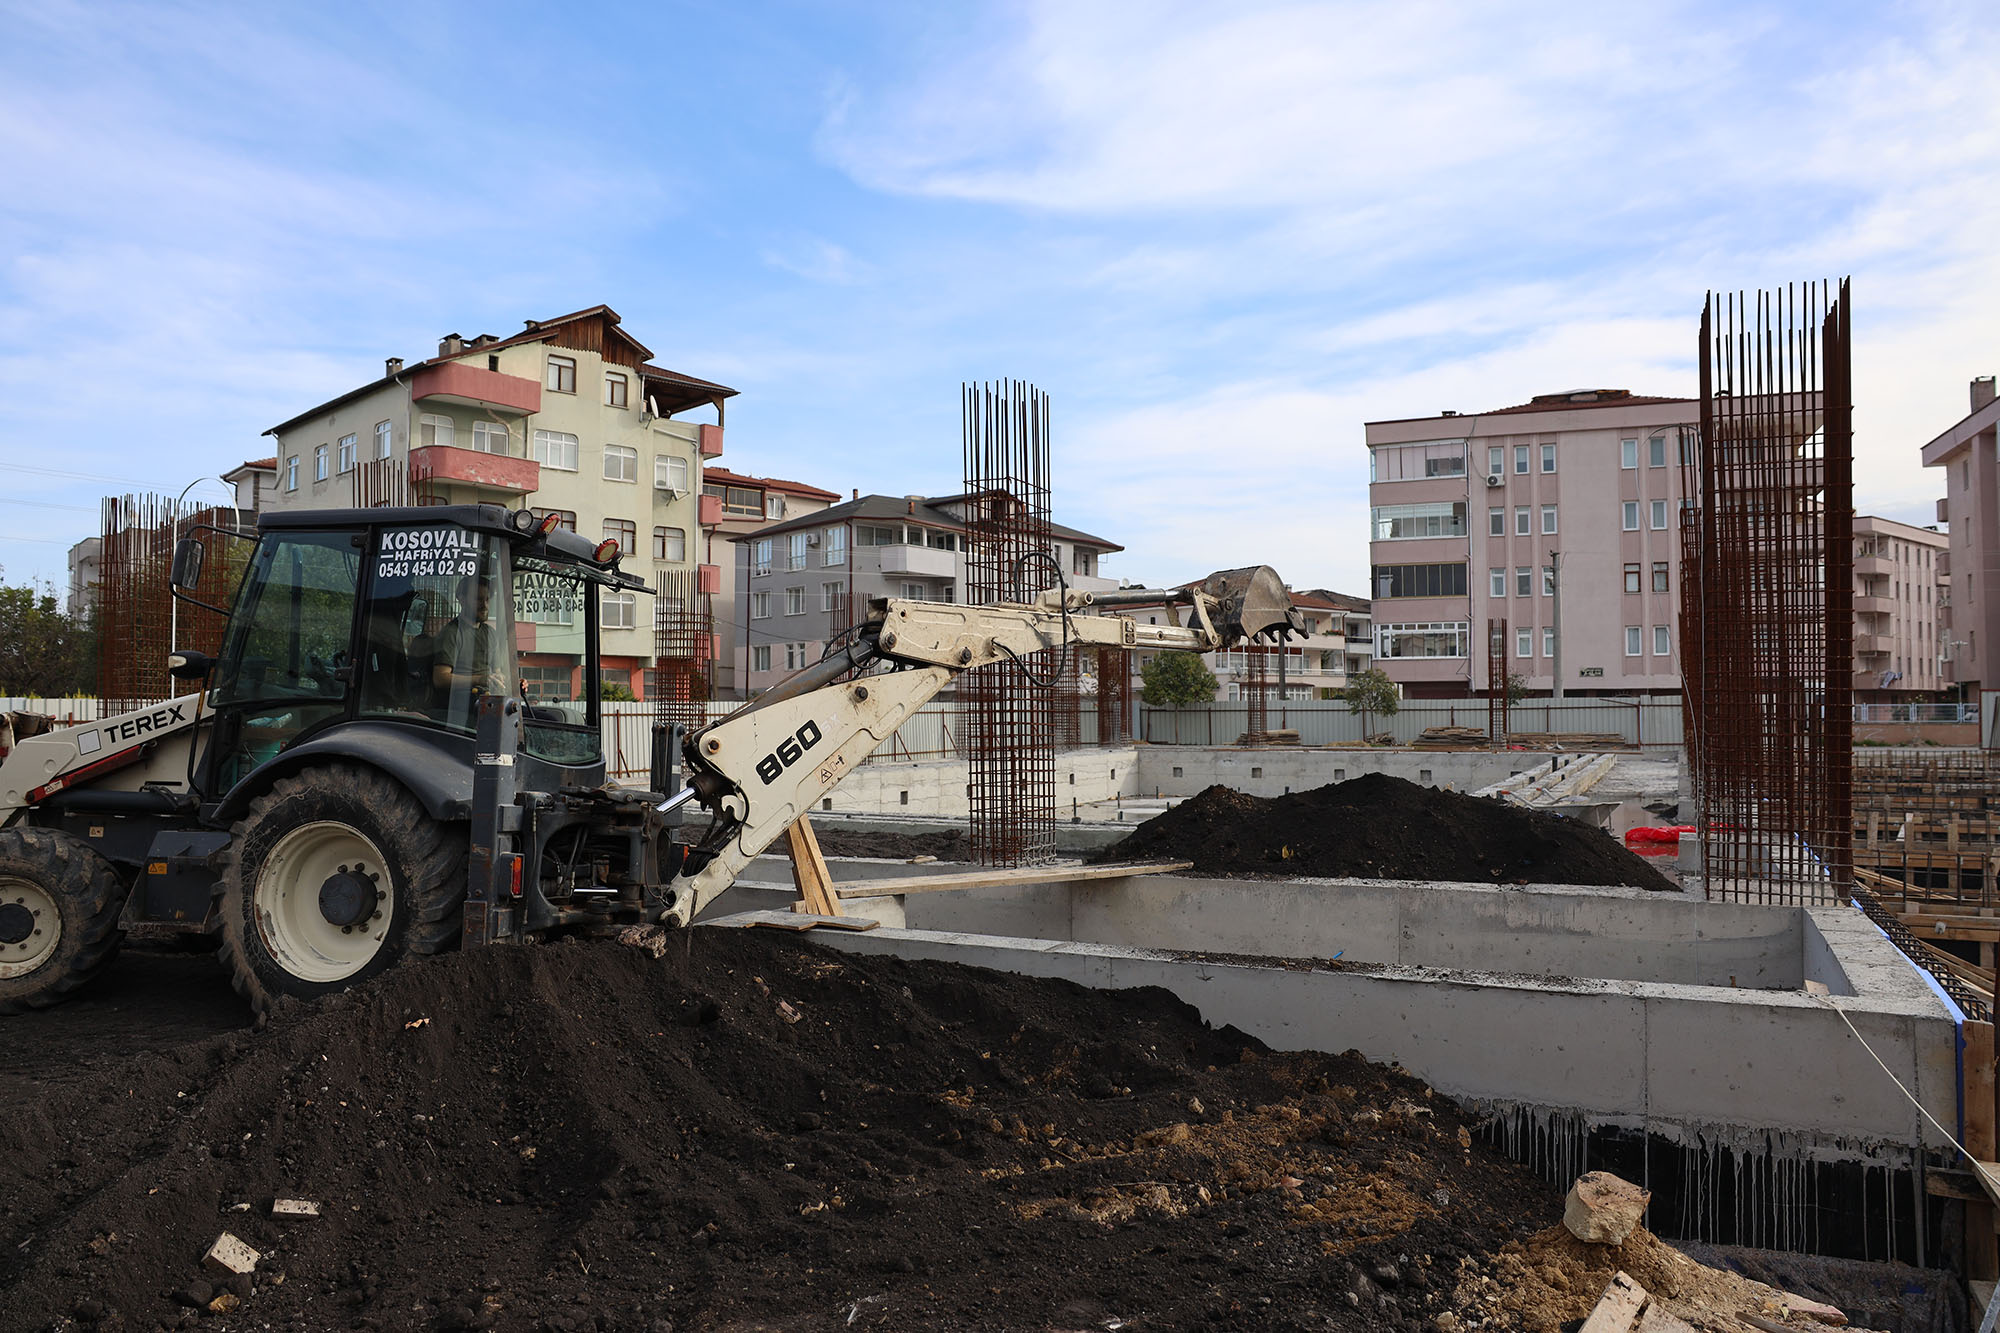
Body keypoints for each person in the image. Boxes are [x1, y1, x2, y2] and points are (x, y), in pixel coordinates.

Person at [433, 575, 505, 697]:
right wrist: (478, 680)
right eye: (478, 599)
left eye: (487, 599)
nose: (485, 605)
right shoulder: (452, 633)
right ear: (462, 600)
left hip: (489, 700)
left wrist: (511, 682)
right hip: (462, 705)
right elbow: (440, 678)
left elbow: (498, 673)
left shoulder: (490, 633)